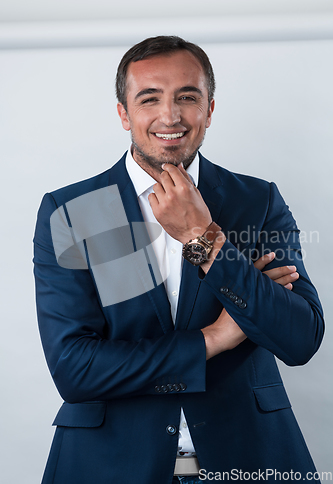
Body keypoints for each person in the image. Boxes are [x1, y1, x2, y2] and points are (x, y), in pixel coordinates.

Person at [33, 36, 324, 484]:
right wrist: (215, 338)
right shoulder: (74, 212)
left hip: (250, 459)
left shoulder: (257, 201)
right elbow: (76, 369)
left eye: (187, 98)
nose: (170, 116)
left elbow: (299, 337)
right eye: (149, 99)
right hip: (107, 466)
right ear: (124, 113)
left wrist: (202, 239)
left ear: (209, 109)